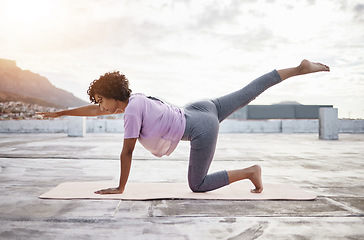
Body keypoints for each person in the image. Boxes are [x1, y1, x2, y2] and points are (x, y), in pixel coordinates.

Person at [38, 59, 330, 195]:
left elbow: (126, 153)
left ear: (114, 98)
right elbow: (94, 111)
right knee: (248, 92)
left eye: (102, 101)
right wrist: (61, 112)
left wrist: (120, 187)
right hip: (200, 107)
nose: (100, 106)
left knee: (197, 185)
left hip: (201, 127)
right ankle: (298, 68)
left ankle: (250, 172)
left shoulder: (129, 114)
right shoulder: (135, 99)